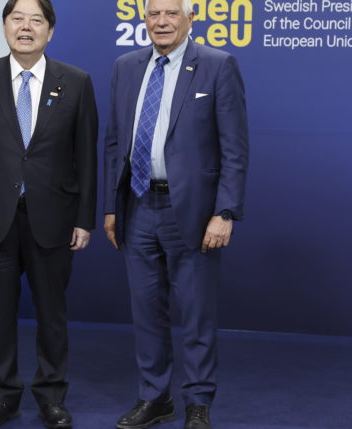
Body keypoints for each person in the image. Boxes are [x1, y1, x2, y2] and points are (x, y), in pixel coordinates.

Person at [103, 0, 249, 427]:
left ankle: (198, 402)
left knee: (197, 312)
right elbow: (115, 143)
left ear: (190, 18)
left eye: (171, 13)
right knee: (146, 311)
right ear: (144, 19)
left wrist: (225, 211)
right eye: (153, 14)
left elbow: (234, 149)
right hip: (137, 204)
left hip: (194, 211)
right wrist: (111, 207)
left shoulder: (218, 65)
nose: (161, 21)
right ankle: (155, 398)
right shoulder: (126, 66)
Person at [0, 0, 98, 427]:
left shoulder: (75, 82)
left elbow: (86, 157)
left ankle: (51, 396)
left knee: (52, 314)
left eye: (37, 20)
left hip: (54, 219)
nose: (26, 27)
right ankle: (3, 397)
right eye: (18, 19)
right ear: (4, 27)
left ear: (50, 32)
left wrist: (84, 219)